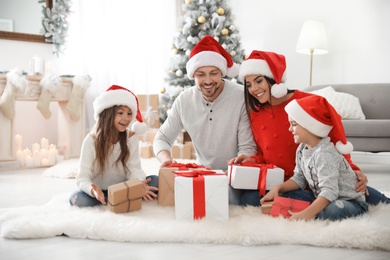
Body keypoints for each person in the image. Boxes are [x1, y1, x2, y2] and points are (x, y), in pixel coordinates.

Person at [230, 50, 390, 206]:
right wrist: (251, 160)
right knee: (249, 199)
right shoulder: (256, 114)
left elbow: (336, 140)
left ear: (274, 79)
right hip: (287, 183)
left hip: (320, 178)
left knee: (368, 197)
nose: (253, 89)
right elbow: (263, 154)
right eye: (248, 84)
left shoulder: (306, 102)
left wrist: (352, 169)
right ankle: (320, 202)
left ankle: (330, 199)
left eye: (259, 81)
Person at [153, 35, 257, 204]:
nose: (208, 81)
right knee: (156, 184)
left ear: (222, 72)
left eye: (213, 73)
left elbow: (248, 148)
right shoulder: (184, 100)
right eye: (201, 74)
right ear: (193, 75)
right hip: (201, 173)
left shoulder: (240, 97)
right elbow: (162, 138)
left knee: (229, 199)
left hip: (233, 176)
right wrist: (166, 161)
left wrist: (231, 174)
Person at [260, 95, 369, 221]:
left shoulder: (324, 154)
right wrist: (277, 188)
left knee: (333, 209)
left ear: (310, 126)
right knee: (287, 195)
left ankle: (313, 212)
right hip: (320, 195)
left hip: (347, 201)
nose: (290, 129)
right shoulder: (301, 149)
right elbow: (299, 178)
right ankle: (315, 209)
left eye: (294, 124)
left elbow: (330, 192)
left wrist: (304, 215)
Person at [69, 85, 158, 207]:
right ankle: (114, 199)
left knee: (156, 181)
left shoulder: (130, 137)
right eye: (120, 113)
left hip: (124, 188)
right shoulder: (91, 141)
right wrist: (92, 190)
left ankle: (120, 198)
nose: (126, 118)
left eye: (129, 113)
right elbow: (82, 177)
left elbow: (134, 168)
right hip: (100, 191)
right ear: (108, 114)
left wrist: (138, 185)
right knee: (77, 199)